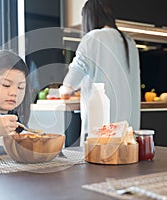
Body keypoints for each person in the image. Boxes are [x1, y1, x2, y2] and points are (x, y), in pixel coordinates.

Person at [59, 0, 141, 145]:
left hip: (101, 135)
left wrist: (65, 89)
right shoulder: (130, 42)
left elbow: (67, 88)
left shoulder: (93, 37)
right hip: (128, 134)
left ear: (89, 18)